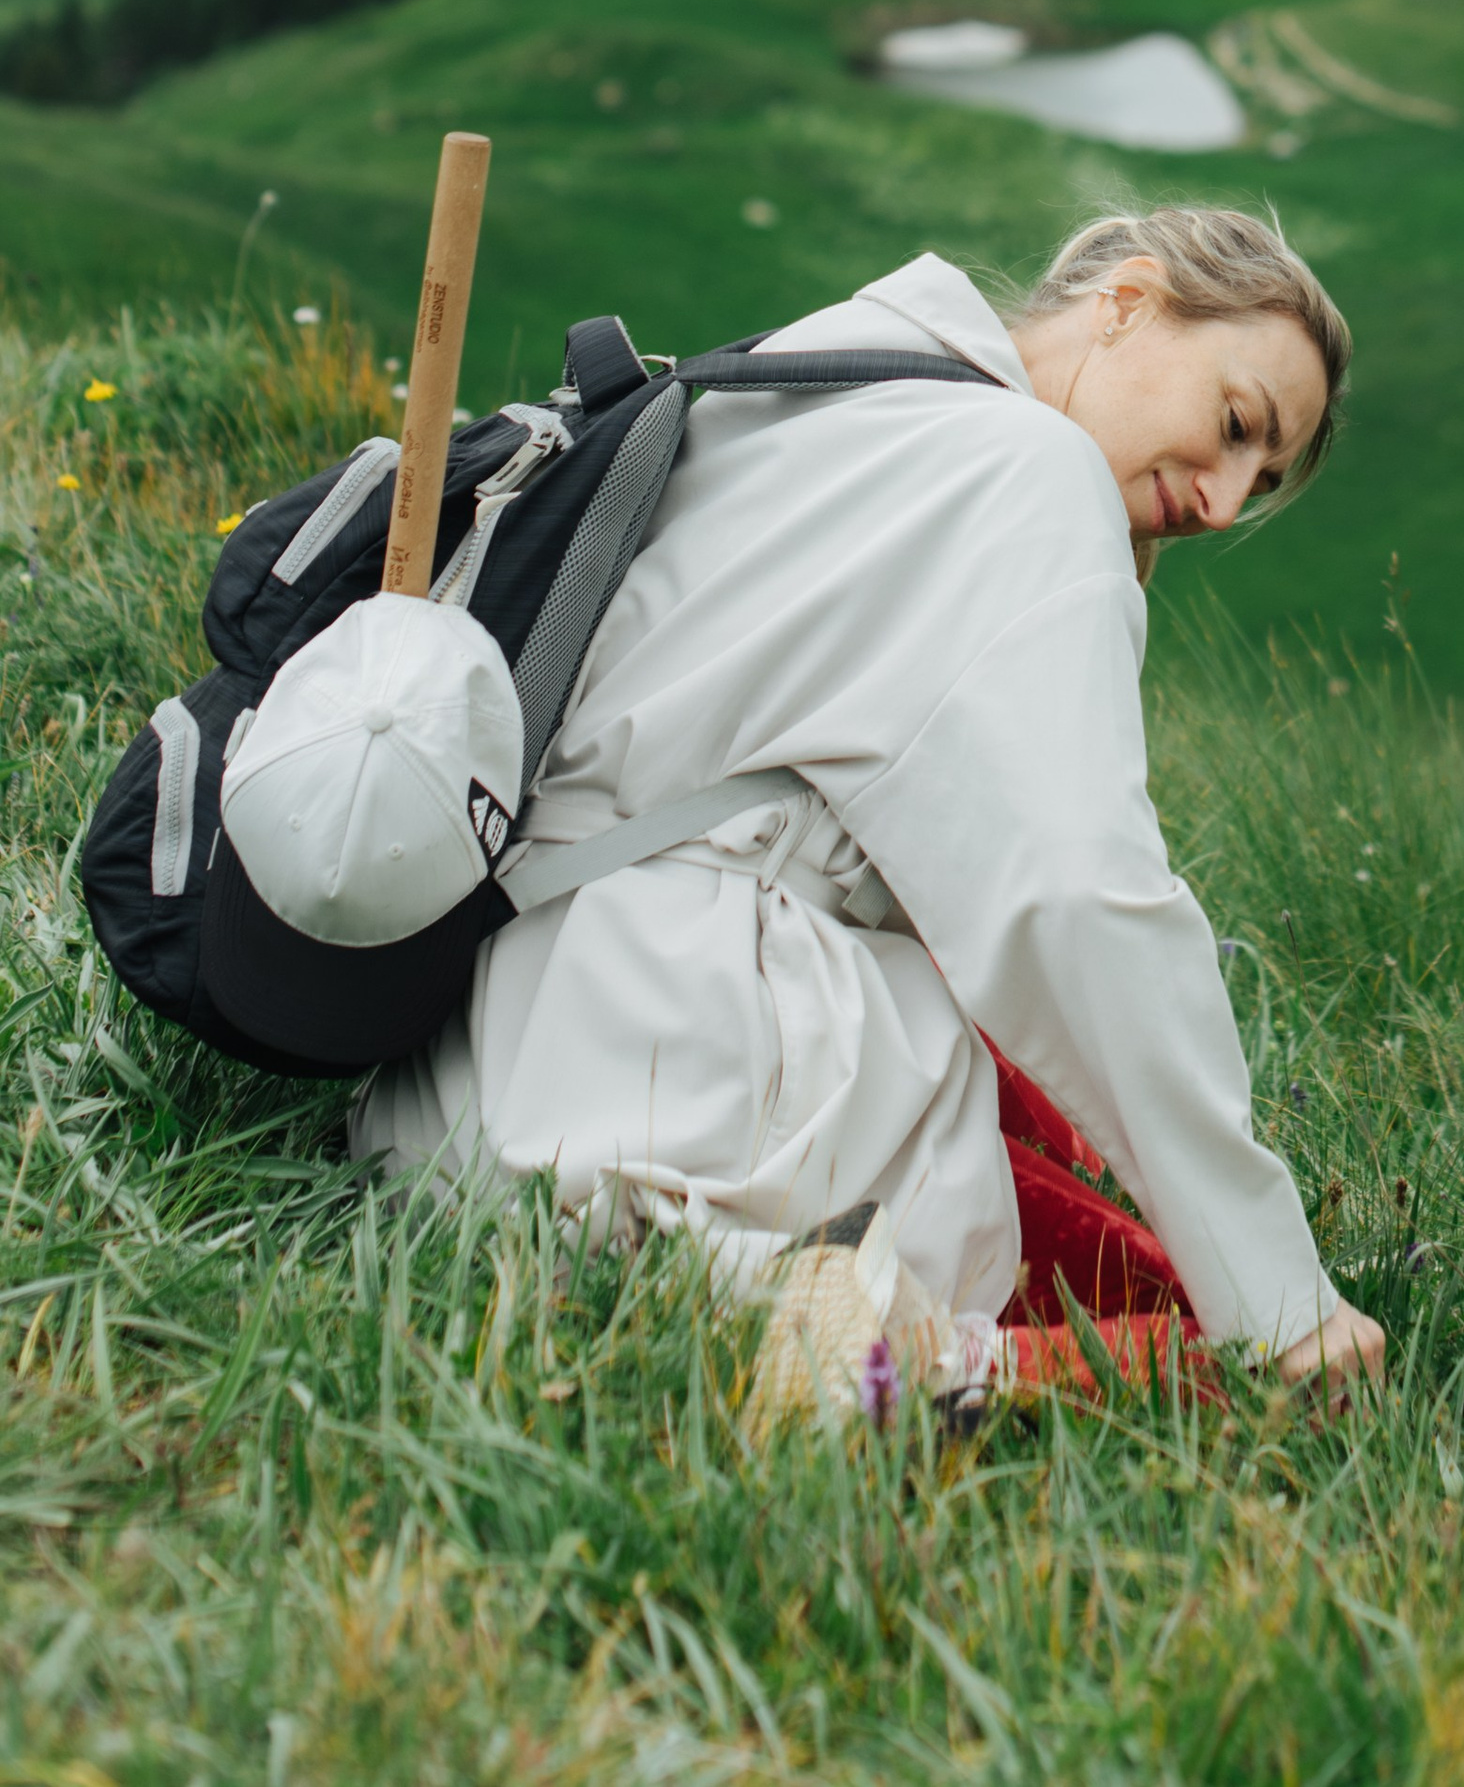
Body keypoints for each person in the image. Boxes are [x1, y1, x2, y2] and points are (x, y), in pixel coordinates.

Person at [351, 206, 1385, 1402]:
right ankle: (892, 1358)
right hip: (668, 1079)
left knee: (988, 1054)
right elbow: (1080, 897)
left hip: (459, 1071)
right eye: (1236, 424)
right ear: (1129, 300)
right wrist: (1279, 1293)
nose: (1218, 499)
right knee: (1203, 1356)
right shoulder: (1031, 470)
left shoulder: (841, 360)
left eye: (1256, 482)